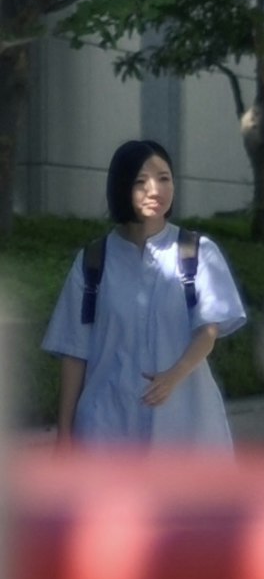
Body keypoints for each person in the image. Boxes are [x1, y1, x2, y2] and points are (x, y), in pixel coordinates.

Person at [49, 140, 244, 450]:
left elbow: (208, 330)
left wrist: (173, 376)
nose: (155, 189)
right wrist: (64, 434)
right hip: (106, 426)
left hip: (185, 426)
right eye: (141, 181)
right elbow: (75, 351)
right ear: (121, 187)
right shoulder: (93, 261)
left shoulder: (197, 252)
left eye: (164, 178)